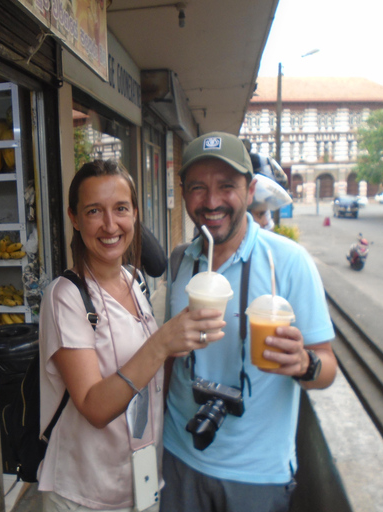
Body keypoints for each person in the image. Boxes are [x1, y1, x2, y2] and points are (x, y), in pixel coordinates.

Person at [160, 132, 338, 512]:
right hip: (178, 454)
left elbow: (328, 368)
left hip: (256, 473)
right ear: (183, 193)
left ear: (251, 187)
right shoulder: (181, 261)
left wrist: (306, 364)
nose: (211, 202)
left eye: (227, 186)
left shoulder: (288, 262)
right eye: (197, 188)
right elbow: (170, 361)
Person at [38, 160, 226, 511]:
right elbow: (94, 408)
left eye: (121, 209)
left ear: (135, 214)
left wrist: (180, 347)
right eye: (94, 211)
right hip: (84, 492)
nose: (110, 225)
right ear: (75, 219)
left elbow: (144, 379)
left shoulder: (134, 280)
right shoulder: (66, 296)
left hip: (139, 481)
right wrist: (161, 344)